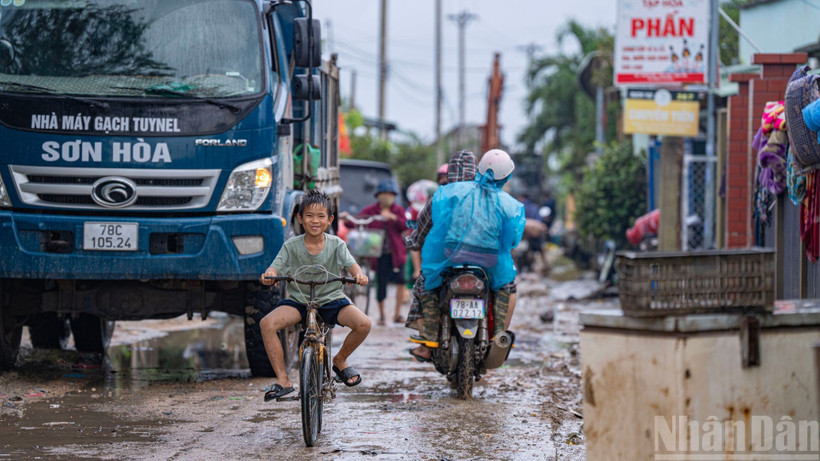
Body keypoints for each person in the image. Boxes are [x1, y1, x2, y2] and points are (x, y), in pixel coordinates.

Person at [259, 190, 371, 401]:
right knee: (267, 324)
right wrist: (270, 274)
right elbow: (275, 267)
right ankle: (283, 379)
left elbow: (352, 265)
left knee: (364, 324)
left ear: (330, 220)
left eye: (321, 216)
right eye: (309, 215)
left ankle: (340, 360)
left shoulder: (336, 244)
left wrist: (359, 275)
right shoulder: (291, 245)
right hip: (298, 301)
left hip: (332, 299)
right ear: (300, 218)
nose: (315, 221)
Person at [417, 149, 525, 346]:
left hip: (451, 256)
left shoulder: (447, 193)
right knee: (504, 286)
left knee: (426, 282)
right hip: (489, 261)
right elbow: (512, 241)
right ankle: (499, 334)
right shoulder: (510, 205)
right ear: (507, 177)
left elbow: (427, 226)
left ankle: (430, 334)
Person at [356, 179, 408, 325]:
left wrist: (393, 218)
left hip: (396, 253)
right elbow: (358, 220)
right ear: (378, 195)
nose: (386, 196)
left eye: (390, 194)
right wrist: (347, 218)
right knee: (381, 283)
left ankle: (397, 313)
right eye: (384, 193)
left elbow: (405, 226)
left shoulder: (398, 210)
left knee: (401, 281)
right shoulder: (371, 210)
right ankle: (382, 315)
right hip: (379, 254)